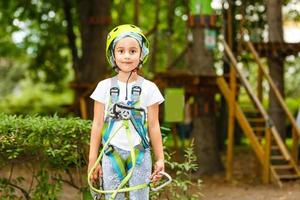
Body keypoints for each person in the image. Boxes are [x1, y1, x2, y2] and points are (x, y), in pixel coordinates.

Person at [88, 24, 165, 200]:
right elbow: (97, 124)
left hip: (140, 155)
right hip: (110, 155)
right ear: (113, 55)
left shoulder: (149, 89)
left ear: (142, 54)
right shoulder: (104, 87)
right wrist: (93, 159)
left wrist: (160, 159)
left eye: (132, 51)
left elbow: (154, 125)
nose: (127, 56)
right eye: (121, 51)